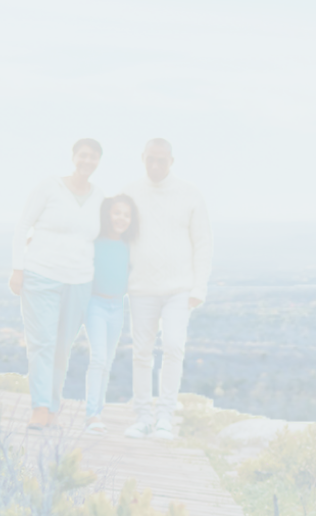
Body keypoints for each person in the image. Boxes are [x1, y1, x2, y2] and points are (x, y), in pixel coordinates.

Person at [121, 138, 213, 440]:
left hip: (179, 290)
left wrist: (199, 287)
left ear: (171, 161)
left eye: (162, 160)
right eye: (151, 159)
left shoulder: (191, 195)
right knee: (141, 353)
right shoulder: (130, 193)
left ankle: (165, 419)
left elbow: (202, 243)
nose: (156, 165)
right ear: (142, 158)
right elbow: (114, 234)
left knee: (173, 347)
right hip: (140, 288)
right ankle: (143, 418)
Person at [11, 138, 105, 430]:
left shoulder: (100, 197)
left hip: (79, 281)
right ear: (74, 156)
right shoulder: (49, 187)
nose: (87, 161)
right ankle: (40, 406)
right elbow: (22, 226)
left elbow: (103, 239)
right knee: (42, 343)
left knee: (62, 347)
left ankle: (53, 404)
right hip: (41, 275)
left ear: (98, 162)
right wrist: (18, 267)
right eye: (83, 155)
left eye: (94, 157)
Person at [84, 195, 137, 435]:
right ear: (108, 214)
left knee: (106, 362)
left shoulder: (128, 246)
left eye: (126, 215)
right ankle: (91, 414)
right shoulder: (95, 242)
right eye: (117, 213)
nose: (121, 218)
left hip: (118, 307)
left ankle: (98, 411)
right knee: (98, 358)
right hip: (95, 304)